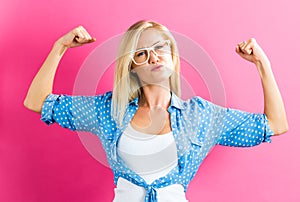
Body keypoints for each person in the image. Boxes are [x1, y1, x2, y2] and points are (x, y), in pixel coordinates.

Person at [24, 20, 288, 202]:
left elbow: (275, 124)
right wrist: (60, 48)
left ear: (173, 56)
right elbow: (37, 101)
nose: (153, 57)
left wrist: (261, 63)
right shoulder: (107, 109)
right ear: (131, 66)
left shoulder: (201, 116)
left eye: (160, 47)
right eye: (142, 53)